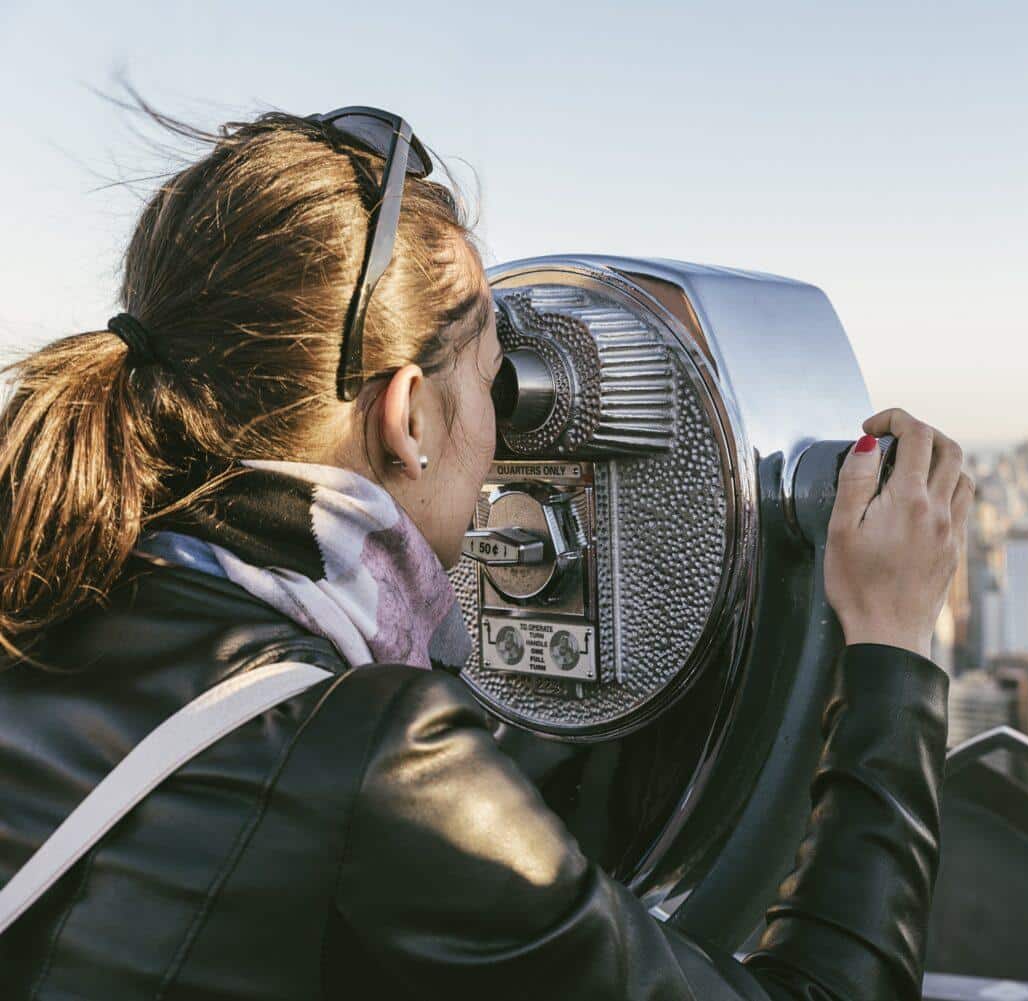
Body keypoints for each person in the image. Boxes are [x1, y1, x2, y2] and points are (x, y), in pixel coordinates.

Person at [0, 100, 972, 1000]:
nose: (504, 438)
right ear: (409, 413)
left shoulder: (46, 612)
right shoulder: (372, 756)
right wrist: (889, 645)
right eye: (497, 383)